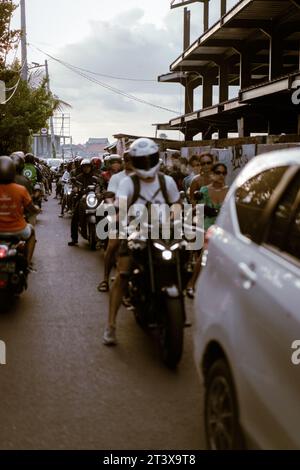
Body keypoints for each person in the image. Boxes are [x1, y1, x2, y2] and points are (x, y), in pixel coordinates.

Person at [102, 138, 181, 346]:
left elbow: (177, 204)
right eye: (141, 160)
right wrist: (119, 218)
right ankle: (110, 325)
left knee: (182, 261)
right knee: (123, 274)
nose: (146, 164)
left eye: (149, 159)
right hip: (136, 234)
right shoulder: (128, 183)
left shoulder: (168, 182)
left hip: (164, 234)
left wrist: (175, 215)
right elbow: (119, 205)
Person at [186, 163, 229, 298]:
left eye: (223, 173)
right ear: (212, 174)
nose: (221, 175)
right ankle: (191, 284)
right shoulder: (204, 190)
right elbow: (197, 209)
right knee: (205, 252)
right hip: (207, 226)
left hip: (224, 227)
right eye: (218, 172)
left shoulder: (230, 191)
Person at [97, 152, 133, 293]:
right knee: (112, 246)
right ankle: (105, 279)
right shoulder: (117, 178)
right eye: (128, 160)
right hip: (120, 216)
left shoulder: (144, 177)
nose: (131, 163)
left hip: (140, 218)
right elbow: (110, 196)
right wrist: (114, 208)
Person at [0, 156, 40, 266]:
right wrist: (37, 209)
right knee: (31, 233)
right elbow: (30, 207)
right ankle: (27, 263)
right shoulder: (20, 189)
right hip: (18, 229)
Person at [68, 159, 102, 246]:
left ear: (91, 167)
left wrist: (99, 192)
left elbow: (99, 187)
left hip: (94, 199)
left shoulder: (95, 178)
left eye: (88, 167)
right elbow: (74, 186)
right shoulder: (78, 178)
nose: (86, 169)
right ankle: (74, 239)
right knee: (75, 218)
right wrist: (75, 189)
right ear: (82, 168)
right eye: (84, 167)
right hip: (82, 199)